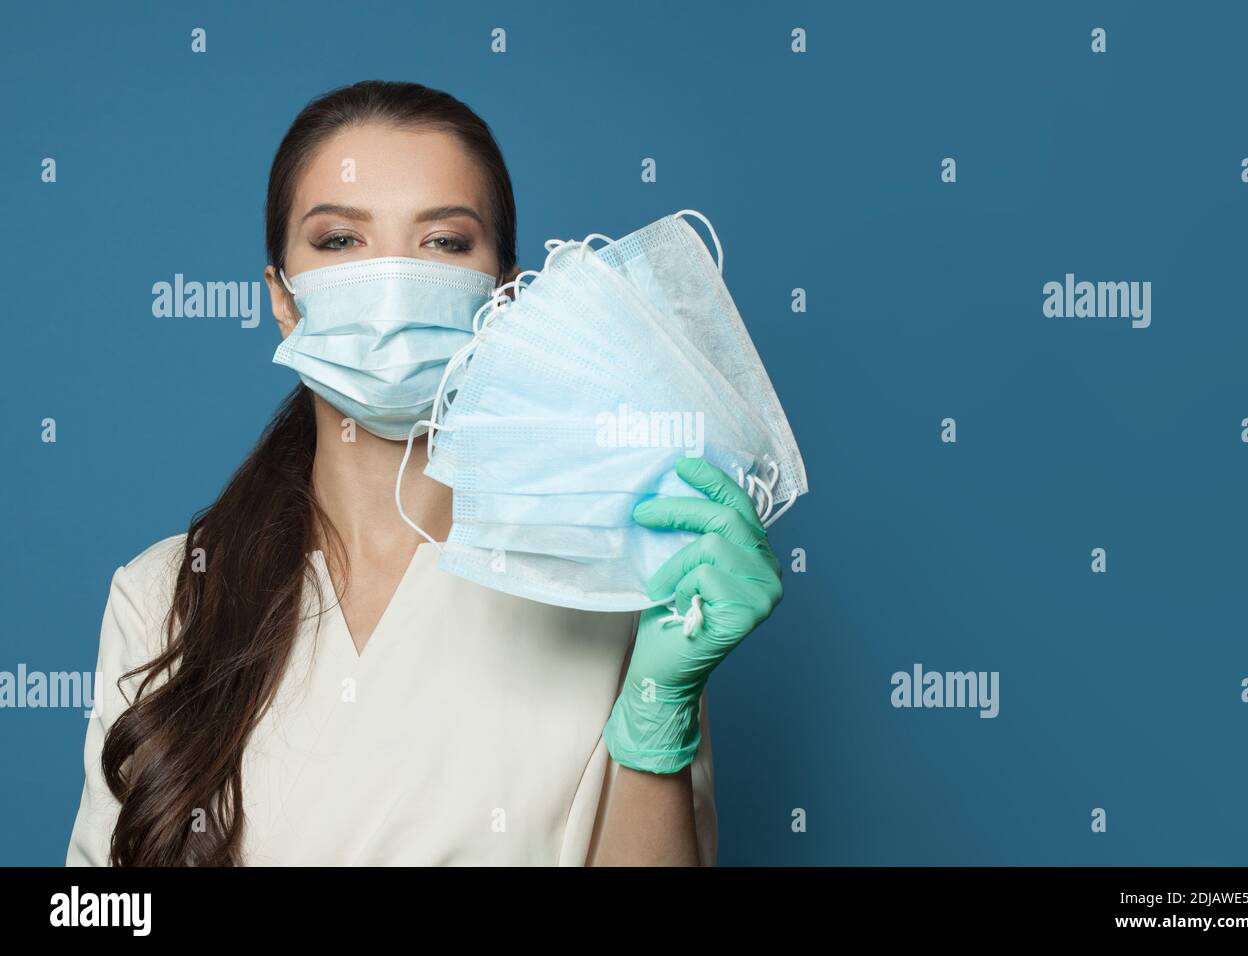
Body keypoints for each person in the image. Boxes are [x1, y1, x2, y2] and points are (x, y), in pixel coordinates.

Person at [66, 80, 782, 866]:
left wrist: (656, 720)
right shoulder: (165, 597)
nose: (391, 286)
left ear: (504, 297)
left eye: (443, 242)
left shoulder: (610, 585)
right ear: (284, 300)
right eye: (340, 242)